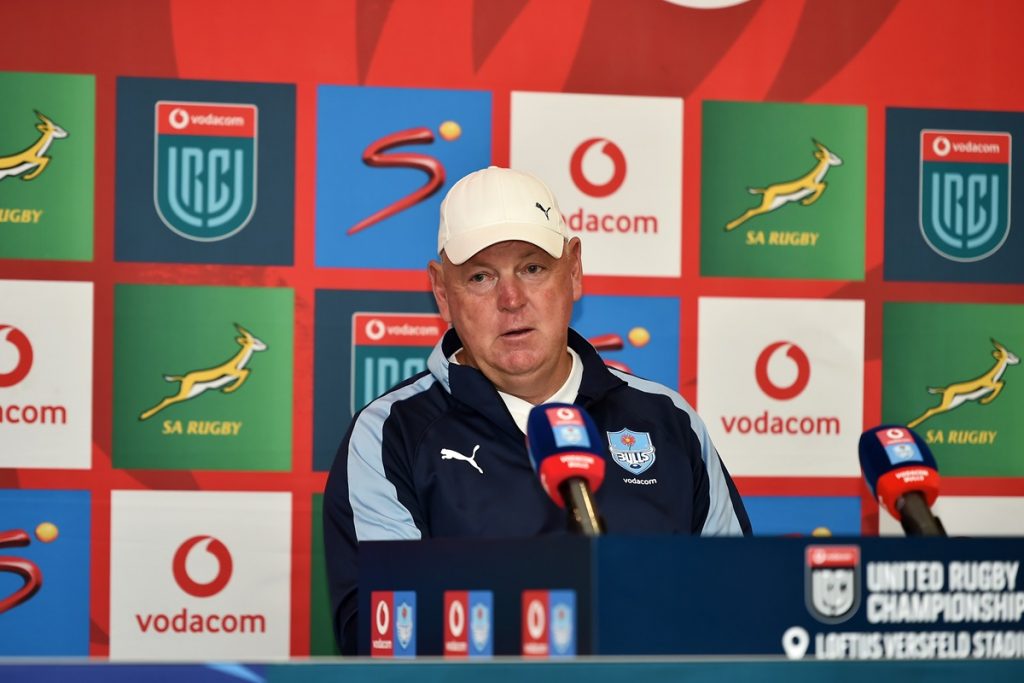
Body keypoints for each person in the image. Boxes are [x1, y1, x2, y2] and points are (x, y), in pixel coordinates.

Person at [323, 166, 751, 654]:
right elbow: (380, 638)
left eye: (532, 268)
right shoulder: (389, 433)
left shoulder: (667, 419)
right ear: (442, 292)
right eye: (481, 277)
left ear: (573, 271)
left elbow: (739, 606)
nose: (512, 300)